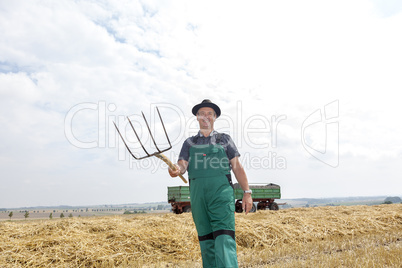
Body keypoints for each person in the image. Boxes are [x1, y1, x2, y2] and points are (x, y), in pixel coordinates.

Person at [168, 99, 253, 268]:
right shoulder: (189, 143)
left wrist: (247, 192)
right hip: (199, 198)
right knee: (206, 241)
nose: (205, 116)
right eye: (202, 113)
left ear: (214, 117)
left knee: (223, 238)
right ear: (197, 117)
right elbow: (182, 165)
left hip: (221, 195)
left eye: (209, 113)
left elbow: (237, 167)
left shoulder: (224, 140)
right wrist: (176, 169)